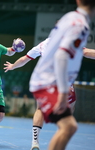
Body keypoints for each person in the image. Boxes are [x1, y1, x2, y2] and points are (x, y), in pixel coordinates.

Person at [29, 0, 95, 150]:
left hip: (46, 79)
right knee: (68, 126)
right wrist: (63, 92)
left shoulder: (71, 18)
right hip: (50, 82)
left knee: (69, 126)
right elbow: (61, 56)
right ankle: (35, 143)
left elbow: (83, 51)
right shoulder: (80, 25)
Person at [4, 37, 76, 150]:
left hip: (44, 79)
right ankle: (62, 134)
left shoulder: (44, 43)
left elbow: (24, 59)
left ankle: (35, 143)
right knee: (69, 108)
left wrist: (13, 66)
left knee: (40, 109)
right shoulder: (68, 42)